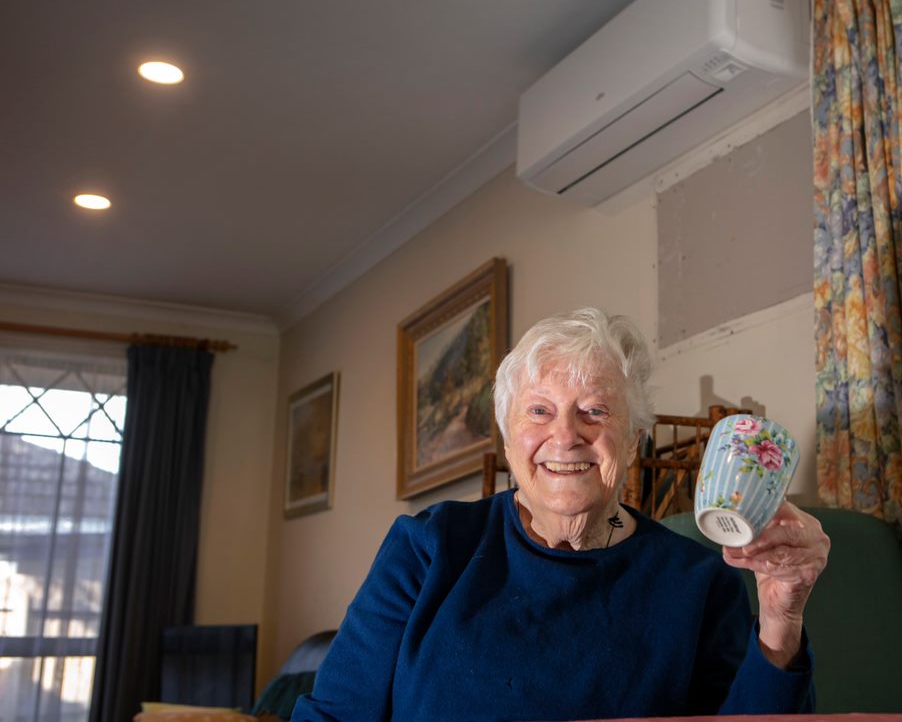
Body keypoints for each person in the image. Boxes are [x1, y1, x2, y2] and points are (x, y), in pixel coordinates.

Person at [292, 307, 830, 721]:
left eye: (595, 410)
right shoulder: (429, 547)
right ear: (508, 441)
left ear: (635, 439)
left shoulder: (697, 581)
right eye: (540, 411)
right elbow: (336, 715)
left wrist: (781, 618)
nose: (566, 436)